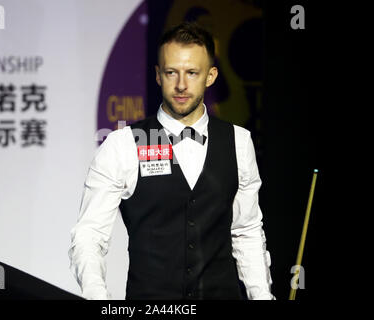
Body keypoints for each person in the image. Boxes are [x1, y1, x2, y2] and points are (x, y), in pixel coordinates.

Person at [69, 22, 275, 300]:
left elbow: (246, 230)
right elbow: (90, 234)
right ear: (158, 75)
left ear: (211, 76)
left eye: (192, 73)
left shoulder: (238, 141)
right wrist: (98, 297)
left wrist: (262, 296)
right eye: (171, 73)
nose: (181, 84)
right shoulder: (124, 144)